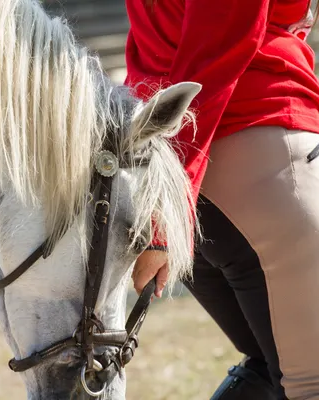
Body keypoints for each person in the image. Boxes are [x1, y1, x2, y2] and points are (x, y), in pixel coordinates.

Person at [125, 0, 319, 399]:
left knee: (268, 368)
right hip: (253, 164)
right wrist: (165, 215)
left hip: (183, 172)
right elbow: (211, 64)